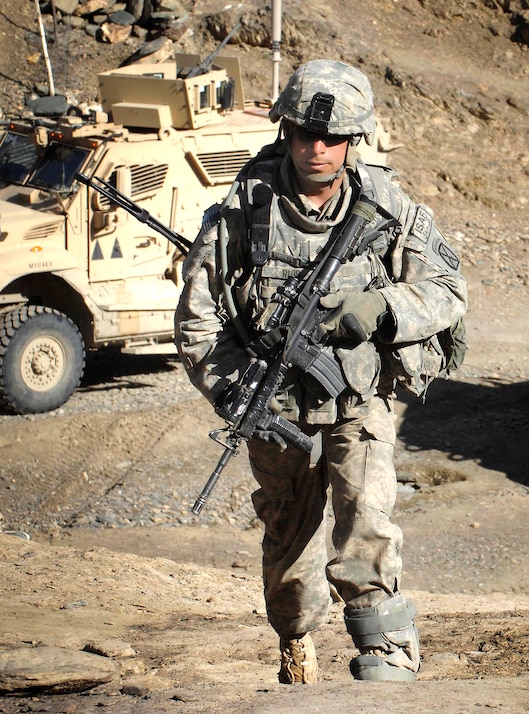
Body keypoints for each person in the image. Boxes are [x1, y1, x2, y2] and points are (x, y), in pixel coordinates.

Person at [174, 59, 467, 684]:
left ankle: (385, 656)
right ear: (286, 131)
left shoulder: (388, 206)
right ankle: (296, 639)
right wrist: (239, 391)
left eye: (332, 138)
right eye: (305, 133)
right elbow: (198, 322)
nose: (317, 149)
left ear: (352, 140)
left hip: (360, 397)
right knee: (288, 549)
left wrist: (381, 308)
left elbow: (448, 290)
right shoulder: (244, 211)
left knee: (366, 522)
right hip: (274, 405)